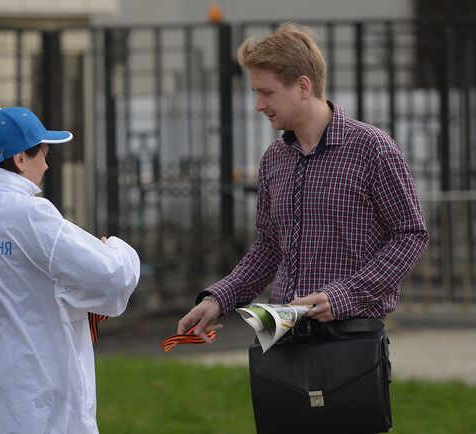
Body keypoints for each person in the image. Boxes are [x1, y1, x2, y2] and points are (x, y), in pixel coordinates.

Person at [178, 23, 428, 342]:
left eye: (266, 92)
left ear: (303, 86)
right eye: (256, 93)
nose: (258, 105)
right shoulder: (274, 158)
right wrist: (217, 299)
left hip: (351, 336)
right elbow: (269, 246)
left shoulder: (372, 147)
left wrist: (343, 297)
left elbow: (410, 234)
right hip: (279, 334)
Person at [0, 107, 140, 434]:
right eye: (43, 152)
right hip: (29, 400)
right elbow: (112, 277)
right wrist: (113, 246)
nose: (46, 163)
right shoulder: (30, 216)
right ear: (20, 159)